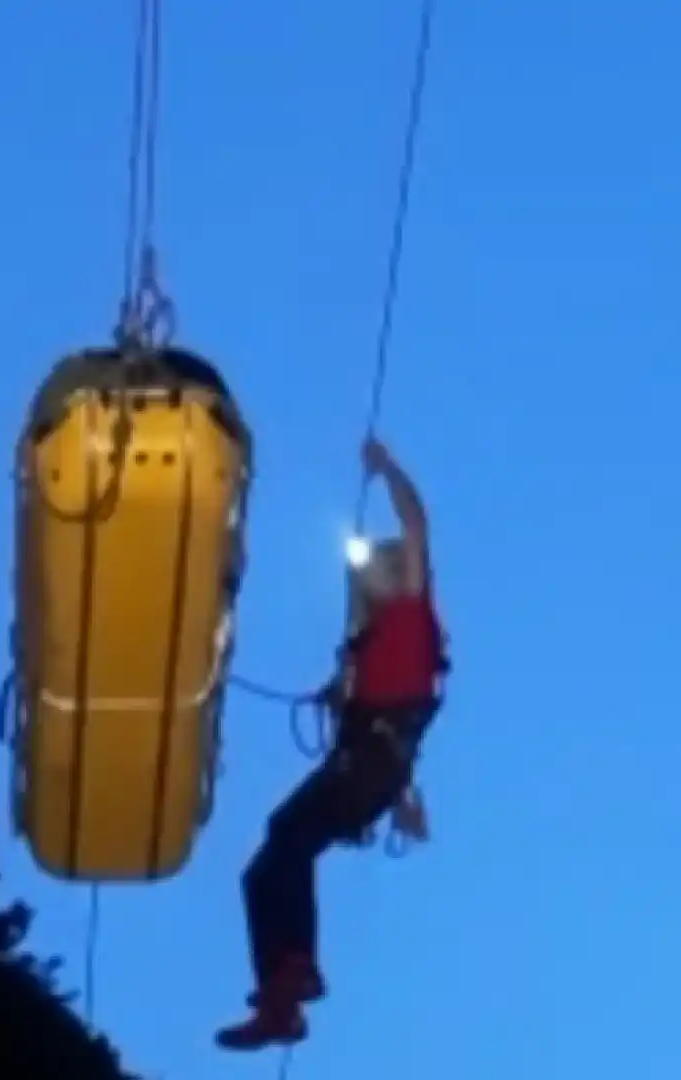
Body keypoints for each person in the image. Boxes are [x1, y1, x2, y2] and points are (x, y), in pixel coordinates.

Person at [215, 435, 447, 1052]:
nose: (371, 584)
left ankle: (290, 977)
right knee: (270, 863)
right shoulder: (368, 652)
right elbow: (388, 722)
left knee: (285, 841)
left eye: (379, 574)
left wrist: (388, 466)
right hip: (367, 774)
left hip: (366, 772)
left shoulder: (412, 619)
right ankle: (282, 991)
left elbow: (416, 524)